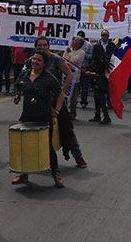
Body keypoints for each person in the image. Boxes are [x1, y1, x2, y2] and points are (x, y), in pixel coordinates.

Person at [27, 37, 86, 168]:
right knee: (33, 131)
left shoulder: (56, 60)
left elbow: (70, 75)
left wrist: (62, 91)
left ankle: (78, 156)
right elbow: (24, 77)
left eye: (45, 45)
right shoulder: (32, 60)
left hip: (55, 101)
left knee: (66, 128)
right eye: (39, 45)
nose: (42, 47)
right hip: (36, 103)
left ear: (49, 46)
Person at [11, 49, 64, 188]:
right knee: (25, 144)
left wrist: (57, 110)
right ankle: (23, 174)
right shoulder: (25, 74)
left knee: (47, 146)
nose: (35, 62)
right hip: (27, 115)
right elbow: (17, 86)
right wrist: (17, 95)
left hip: (44, 116)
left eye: (39, 60)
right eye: (33, 59)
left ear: (44, 63)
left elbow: (61, 94)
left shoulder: (48, 77)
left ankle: (56, 174)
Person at [90, 30, 116, 123]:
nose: (104, 36)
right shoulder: (97, 46)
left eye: (106, 35)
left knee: (100, 95)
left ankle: (106, 116)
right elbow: (94, 60)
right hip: (98, 73)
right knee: (97, 96)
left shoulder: (112, 45)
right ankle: (97, 115)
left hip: (107, 72)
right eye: (103, 35)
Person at [62, 37, 86, 118]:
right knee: (64, 95)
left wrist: (68, 54)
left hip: (75, 78)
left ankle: (72, 112)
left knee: (73, 97)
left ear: (79, 44)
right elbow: (63, 60)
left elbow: (73, 61)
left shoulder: (81, 52)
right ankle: (64, 111)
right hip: (65, 76)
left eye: (75, 41)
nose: (73, 41)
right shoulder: (68, 49)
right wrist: (68, 54)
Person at [76, 31, 94, 108]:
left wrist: (83, 54)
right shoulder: (74, 43)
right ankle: (74, 101)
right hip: (76, 67)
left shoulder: (89, 45)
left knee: (84, 85)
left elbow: (91, 56)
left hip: (85, 67)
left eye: (81, 37)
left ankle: (84, 101)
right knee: (75, 85)